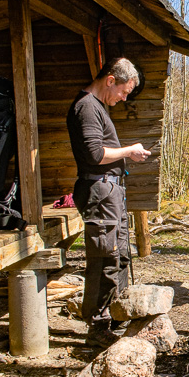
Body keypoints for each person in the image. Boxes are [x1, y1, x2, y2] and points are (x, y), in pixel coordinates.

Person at [66, 57, 151, 346]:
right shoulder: (87, 107)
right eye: (124, 92)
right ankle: (98, 327)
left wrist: (127, 154)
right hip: (99, 192)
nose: (124, 98)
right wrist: (128, 150)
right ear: (110, 80)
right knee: (104, 257)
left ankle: (118, 317)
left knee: (120, 255)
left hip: (110, 191)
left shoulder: (97, 106)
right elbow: (94, 155)